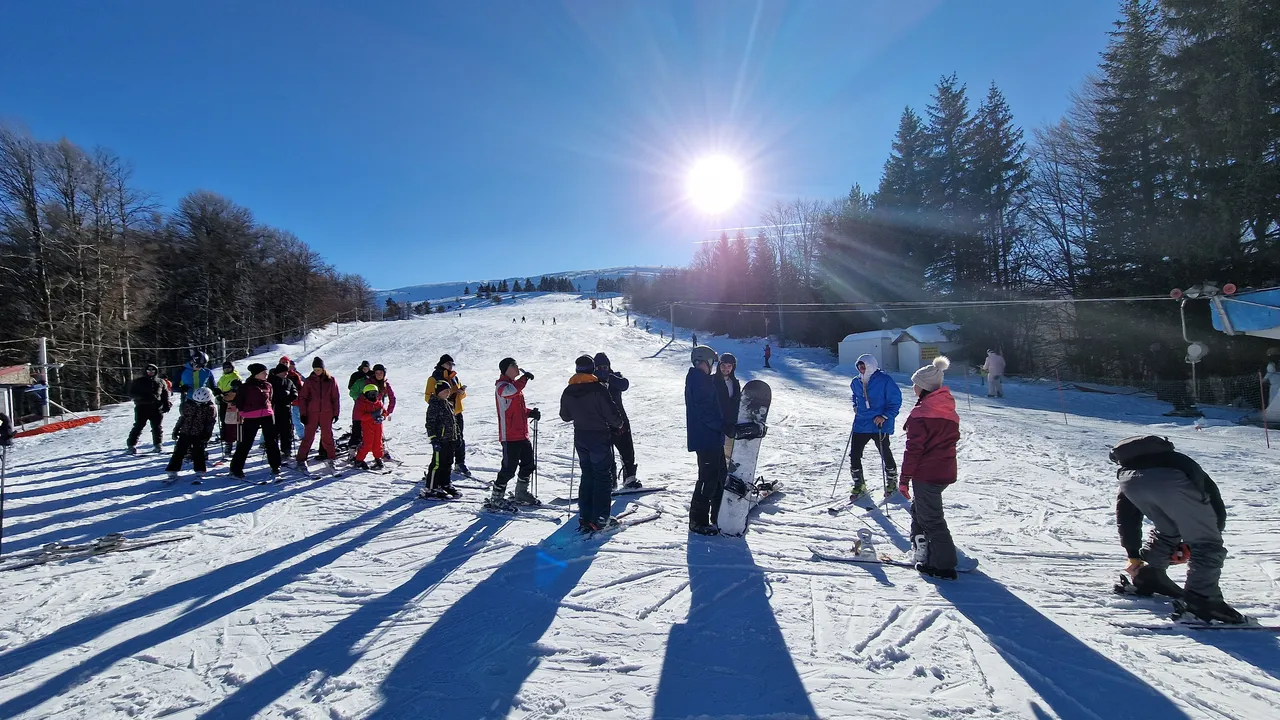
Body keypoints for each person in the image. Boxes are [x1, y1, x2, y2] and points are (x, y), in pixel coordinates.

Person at [1111, 435, 1244, 623]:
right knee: (1207, 543)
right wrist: (1213, 531)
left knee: (1167, 529)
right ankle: (1203, 602)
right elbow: (1212, 496)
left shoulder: (1126, 471)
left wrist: (1133, 554)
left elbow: (1126, 516)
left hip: (1131, 484)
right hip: (1173, 478)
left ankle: (1149, 574)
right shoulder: (1178, 461)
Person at [899, 356, 961, 580]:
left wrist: (904, 478)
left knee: (931, 518)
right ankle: (922, 551)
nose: (913, 387)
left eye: (915, 384)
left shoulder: (921, 414)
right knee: (920, 511)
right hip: (944, 471)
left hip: (927, 473)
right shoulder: (947, 410)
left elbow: (914, 450)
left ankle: (944, 565)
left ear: (924, 387)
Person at [562, 355, 624, 531]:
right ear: (592, 369)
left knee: (587, 474)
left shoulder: (569, 390)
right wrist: (618, 425)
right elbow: (613, 415)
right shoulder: (598, 389)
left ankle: (585, 515)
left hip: (581, 436)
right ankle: (601, 518)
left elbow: (565, 416)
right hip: (598, 436)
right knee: (602, 477)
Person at [848, 353, 902, 500]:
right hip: (861, 423)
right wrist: (855, 406)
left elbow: (896, 401)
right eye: (859, 366)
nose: (861, 369)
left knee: (884, 452)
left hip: (880, 424)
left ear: (871, 365)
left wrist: (884, 416)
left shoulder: (884, 380)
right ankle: (859, 483)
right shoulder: (855, 382)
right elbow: (855, 397)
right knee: (854, 454)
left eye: (864, 366)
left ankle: (891, 480)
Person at [685, 345, 726, 535]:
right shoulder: (698, 381)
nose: (713, 367)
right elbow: (705, 411)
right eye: (712, 363)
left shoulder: (701, 380)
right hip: (706, 437)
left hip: (711, 437)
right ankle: (697, 520)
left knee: (717, 477)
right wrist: (721, 425)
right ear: (706, 361)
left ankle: (717, 515)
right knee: (707, 479)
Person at [491, 357, 540, 510]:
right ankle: (496, 497)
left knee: (528, 464)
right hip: (509, 436)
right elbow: (510, 393)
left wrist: (530, 412)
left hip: (521, 434)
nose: (518, 368)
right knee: (509, 468)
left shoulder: (513, 387)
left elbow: (516, 410)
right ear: (506, 368)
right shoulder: (502, 386)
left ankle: (521, 492)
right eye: (514, 365)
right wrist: (524, 378)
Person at [594, 352, 639, 488]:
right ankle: (610, 480)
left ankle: (630, 478)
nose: (603, 370)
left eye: (605, 367)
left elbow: (624, 384)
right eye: (599, 368)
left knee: (627, 451)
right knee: (606, 455)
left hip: (621, 422)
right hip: (602, 424)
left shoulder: (615, 377)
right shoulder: (592, 381)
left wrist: (609, 378)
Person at [229, 363, 281, 479]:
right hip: (251, 416)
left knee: (271, 441)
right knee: (246, 442)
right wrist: (243, 413)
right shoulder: (246, 386)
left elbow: (270, 399)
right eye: (264, 372)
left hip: (267, 415)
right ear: (256, 374)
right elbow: (239, 401)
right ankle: (236, 469)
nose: (266, 374)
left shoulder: (268, 385)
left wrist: (269, 410)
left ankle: (276, 466)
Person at [424, 354, 470, 476]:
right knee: (443, 442)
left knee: (459, 439)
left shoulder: (454, 377)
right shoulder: (434, 378)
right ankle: (438, 468)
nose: (450, 366)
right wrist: (438, 407)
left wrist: (462, 392)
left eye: (452, 364)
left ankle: (460, 463)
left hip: (457, 412)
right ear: (442, 364)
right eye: (448, 363)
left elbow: (462, 395)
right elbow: (428, 396)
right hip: (443, 414)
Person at [296, 357, 340, 471]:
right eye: (315, 369)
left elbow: (335, 398)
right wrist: (303, 414)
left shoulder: (331, 380)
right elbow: (303, 398)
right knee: (308, 436)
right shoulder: (309, 381)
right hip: (312, 413)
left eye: (319, 369)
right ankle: (301, 459)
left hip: (327, 412)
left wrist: (336, 413)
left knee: (327, 436)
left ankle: (331, 457)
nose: (317, 371)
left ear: (323, 369)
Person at [421, 381, 462, 498]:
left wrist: (457, 436)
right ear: (438, 392)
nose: (447, 393)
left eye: (448, 391)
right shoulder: (434, 405)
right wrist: (434, 439)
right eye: (445, 391)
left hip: (450, 439)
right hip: (441, 440)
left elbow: (454, 422)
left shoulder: (448, 404)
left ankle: (445, 483)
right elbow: (430, 424)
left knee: (448, 462)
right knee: (437, 464)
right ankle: (432, 487)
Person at [166, 387, 216, 481]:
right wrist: (176, 430)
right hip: (185, 431)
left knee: (198, 452)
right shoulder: (188, 405)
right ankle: (172, 470)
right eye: (197, 402)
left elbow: (210, 423)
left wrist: (206, 436)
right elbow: (182, 418)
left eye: (201, 403)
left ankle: (200, 470)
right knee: (179, 451)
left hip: (199, 434)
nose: (198, 404)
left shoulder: (210, 409)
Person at [127, 363, 171, 454]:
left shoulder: (161, 382)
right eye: (148, 370)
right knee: (139, 426)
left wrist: (166, 404)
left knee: (157, 427)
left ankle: (158, 445)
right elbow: (131, 393)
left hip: (156, 408)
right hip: (142, 407)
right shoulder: (139, 381)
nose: (150, 372)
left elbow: (165, 394)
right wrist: (142, 397)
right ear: (145, 371)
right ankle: (131, 445)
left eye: (153, 370)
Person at [269, 364, 300, 464]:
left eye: (286, 372)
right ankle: (273, 451)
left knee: (287, 430)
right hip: (274, 408)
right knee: (274, 431)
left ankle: (286, 450)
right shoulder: (271, 380)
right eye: (284, 372)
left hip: (286, 408)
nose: (286, 373)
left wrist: (293, 396)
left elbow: (294, 391)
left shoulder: (288, 381)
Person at [352, 383, 387, 470]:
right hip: (367, 426)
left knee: (378, 443)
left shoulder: (378, 402)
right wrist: (372, 415)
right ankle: (359, 460)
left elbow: (384, 412)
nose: (372, 396)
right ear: (365, 394)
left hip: (378, 426)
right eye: (370, 394)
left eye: (374, 394)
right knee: (367, 444)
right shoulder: (361, 403)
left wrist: (382, 417)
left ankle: (378, 458)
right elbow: (360, 416)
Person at [715, 352, 742, 463]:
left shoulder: (735, 383)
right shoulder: (712, 381)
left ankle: (727, 477)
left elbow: (736, 403)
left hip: (730, 423)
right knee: (716, 453)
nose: (726, 369)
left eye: (729, 366)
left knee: (729, 453)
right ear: (719, 365)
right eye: (723, 365)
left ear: (733, 367)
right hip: (716, 424)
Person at [347, 360, 371, 449]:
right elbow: (350, 387)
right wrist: (359, 396)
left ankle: (366, 436)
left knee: (368, 418)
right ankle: (356, 438)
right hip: (358, 399)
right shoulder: (356, 375)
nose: (365, 369)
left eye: (367, 368)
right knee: (359, 418)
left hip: (369, 401)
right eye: (364, 368)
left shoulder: (370, 375)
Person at [282, 356, 306, 440]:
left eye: (287, 363)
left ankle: (302, 436)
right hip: (281, 403)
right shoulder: (276, 373)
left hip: (295, 401)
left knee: (296, 420)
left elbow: (301, 386)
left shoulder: (295, 375)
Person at [220, 379, 242, 457]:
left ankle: (239, 450)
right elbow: (223, 400)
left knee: (240, 433)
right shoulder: (228, 394)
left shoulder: (243, 393)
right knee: (229, 433)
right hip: (230, 416)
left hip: (240, 416)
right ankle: (228, 449)